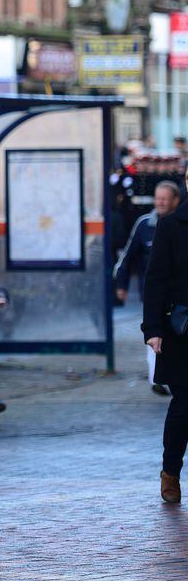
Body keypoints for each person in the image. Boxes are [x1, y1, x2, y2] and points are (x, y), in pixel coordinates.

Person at [142, 169, 188, 504]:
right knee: (185, 405)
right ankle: (170, 471)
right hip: (182, 329)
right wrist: (153, 329)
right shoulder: (172, 226)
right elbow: (155, 278)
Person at [117, 181, 181, 395]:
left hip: (177, 301)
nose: (160, 202)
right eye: (157, 197)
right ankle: (158, 380)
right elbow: (128, 256)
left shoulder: (178, 225)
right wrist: (121, 283)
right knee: (154, 334)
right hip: (152, 293)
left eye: (165, 198)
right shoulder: (144, 224)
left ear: (175, 200)